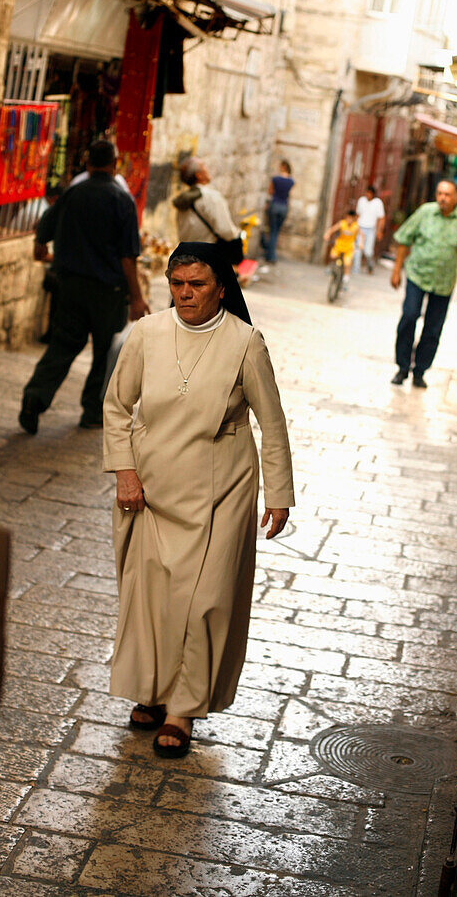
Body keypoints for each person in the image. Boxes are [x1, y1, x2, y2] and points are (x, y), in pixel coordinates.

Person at [103, 242, 294, 758]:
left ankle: (183, 709)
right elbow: (117, 407)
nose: (185, 294)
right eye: (177, 284)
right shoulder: (145, 334)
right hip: (149, 483)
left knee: (206, 599)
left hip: (222, 486)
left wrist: (279, 492)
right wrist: (124, 471)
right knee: (152, 595)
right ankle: (149, 689)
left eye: (198, 285)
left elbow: (271, 422)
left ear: (221, 288)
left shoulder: (245, 343)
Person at [19, 139, 148, 434]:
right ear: (115, 165)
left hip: (70, 286)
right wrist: (137, 297)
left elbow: (44, 227)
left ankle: (34, 398)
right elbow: (128, 256)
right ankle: (92, 410)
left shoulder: (73, 193)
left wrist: (43, 246)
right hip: (107, 291)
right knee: (105, 352)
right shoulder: (122, 200)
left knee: (63, 344)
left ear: (88, 164)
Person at [390, 178, 457, 388]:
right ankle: (402, 367)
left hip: (444, 283)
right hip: (417, 275)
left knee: (433, 329)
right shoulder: (425, 212)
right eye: (440, 193)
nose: (442, 198)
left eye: (447, 194)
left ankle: (420, 370)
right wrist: (396, 271)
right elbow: (404, 239)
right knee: (409, 316)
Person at [171, 156, 241, 248]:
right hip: (206, 254)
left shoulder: (184, 198)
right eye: (203, 166)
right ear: (198, 175)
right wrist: (237, 234)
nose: (207, 168)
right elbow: (226, 231)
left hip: (187, 253)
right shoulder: (210, 196)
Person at [323, 205, 363, 291]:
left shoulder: (356, 227)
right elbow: (332, 229)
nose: (349, 220)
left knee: (347, 263)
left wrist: (360, 243)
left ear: (353, 219)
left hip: (349, 247)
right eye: (348, 218)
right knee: (333, 256)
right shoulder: (342, 223)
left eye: (351, 218)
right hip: (339, 245)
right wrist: (327, 234)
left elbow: (362, 235)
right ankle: (331, 267)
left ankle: (345, 280)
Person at [263, 160, 295, 263]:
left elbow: (270, 191)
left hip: (275, 205)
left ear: (282, 167)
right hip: (284, 207)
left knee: (272, 231)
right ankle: (271, 254)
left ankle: (271, 256)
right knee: (276, 232)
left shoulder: (275, 179)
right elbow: (288, 194)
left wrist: (267, 203)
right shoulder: (291, 181)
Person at [354, 185, 385, 273]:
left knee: (368, 251)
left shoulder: (377, 203)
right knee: (358, 249)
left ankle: (370, 265)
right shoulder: (361, 201)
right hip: (360, 227)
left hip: (371, 229)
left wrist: (379, 231)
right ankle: (356, 269)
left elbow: (381, 218)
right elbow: (358, 214)